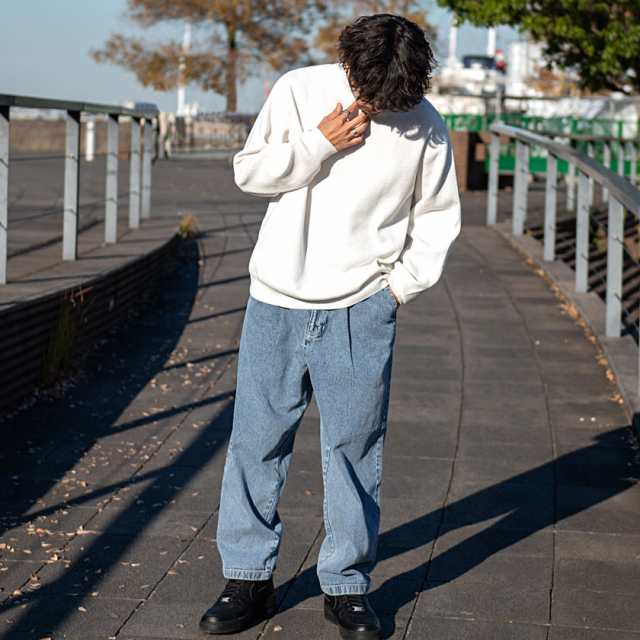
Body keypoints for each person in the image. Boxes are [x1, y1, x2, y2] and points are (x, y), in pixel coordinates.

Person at [199, 12, 461, 640]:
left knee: (354, 449)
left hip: (362, 308)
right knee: (256, 443)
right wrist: (319, 144)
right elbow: (250, 173)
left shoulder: (423, 122)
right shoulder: (299, 90)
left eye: (391, 97)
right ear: (347, 64)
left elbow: (438, 218)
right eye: (368, 92)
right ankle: (247, 579)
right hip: (276, 300)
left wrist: (394, 291)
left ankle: (346, 585)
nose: (377, 106)